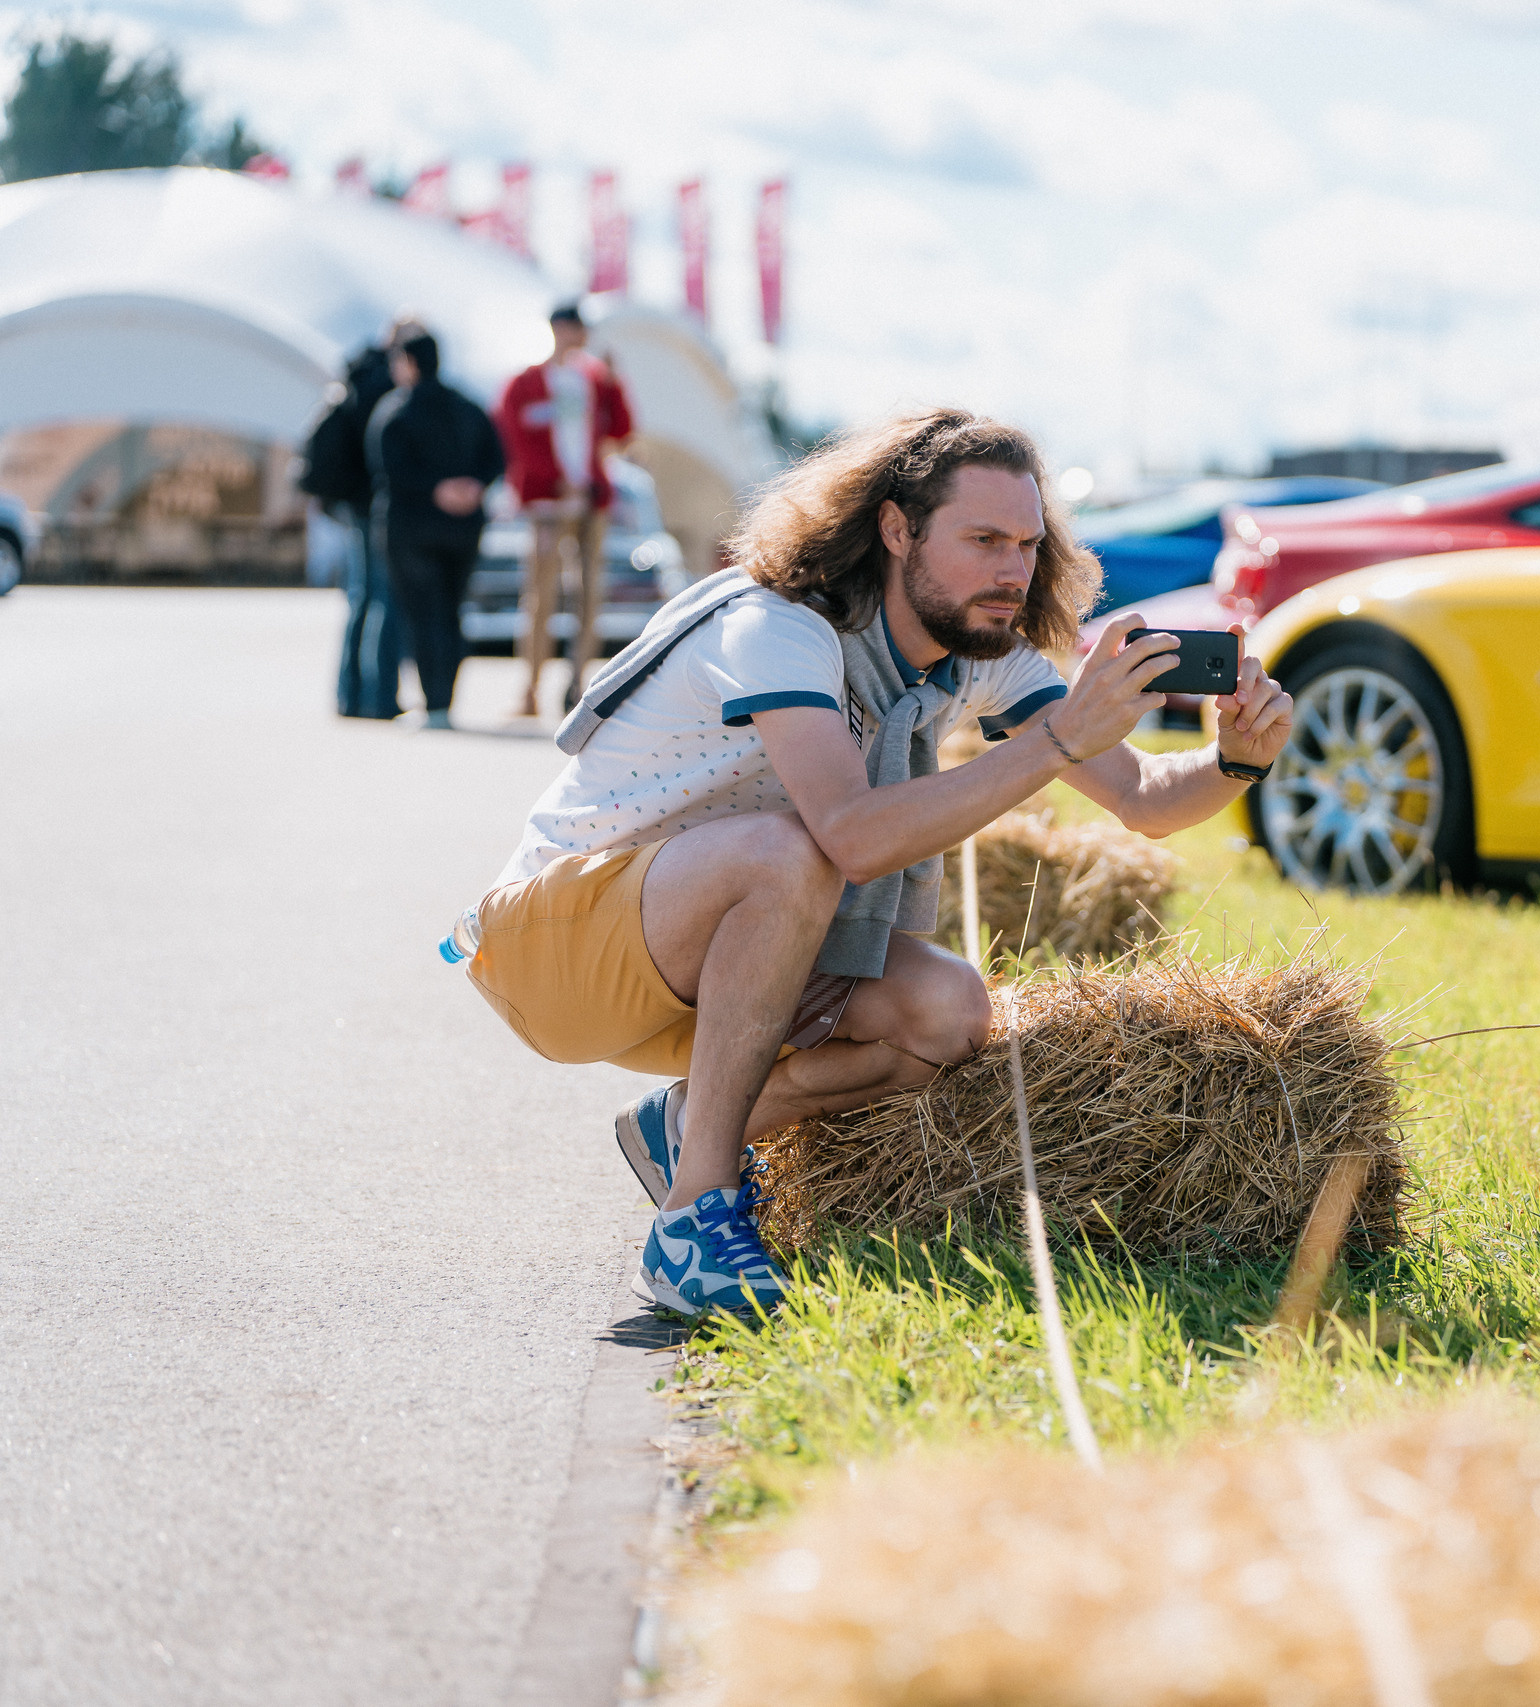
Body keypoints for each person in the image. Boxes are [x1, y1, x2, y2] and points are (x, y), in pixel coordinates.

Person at [457, 409, 1293, 1316]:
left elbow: (1144, 801)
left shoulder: (979, 652)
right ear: (898, 530)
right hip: (548, 948)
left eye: (1025, 543)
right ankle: (692, 1220)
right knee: (791, 852)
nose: (1013, 571)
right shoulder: (779, 626)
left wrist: (1235, 759)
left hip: (696, 957)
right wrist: (1055, 737)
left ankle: (680, 1129)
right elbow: (852, 833)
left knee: (947, 1012)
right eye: (982, 540)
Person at [494, 302, 633, 719]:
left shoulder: (594, 378)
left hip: (590, 499)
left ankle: (579, 684)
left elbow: (623, 431)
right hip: (546, 502)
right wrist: (553, 479)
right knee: (540, 596)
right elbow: (514, 438)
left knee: (589, 596)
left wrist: (616, 381)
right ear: (557, 328)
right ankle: (530, 687)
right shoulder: (526, 381)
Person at [368, 333, 507, 729]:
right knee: (451, 612)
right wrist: (472, 486)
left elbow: (386, 467)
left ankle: (432, 704)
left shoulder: (396, 409)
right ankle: (445, 701)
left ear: (409, 362)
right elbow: (497, 456)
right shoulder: (468, 406)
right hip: (463, 529)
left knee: (421, 614)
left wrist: (435, 487)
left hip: (412, 528)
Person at [300, 316, 423, 719]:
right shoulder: (386, 382)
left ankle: (349, 695)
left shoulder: (357, 373)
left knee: (360, 598)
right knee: (383, 597)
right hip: (376, 501)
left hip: (353, 501)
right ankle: (380, 697)